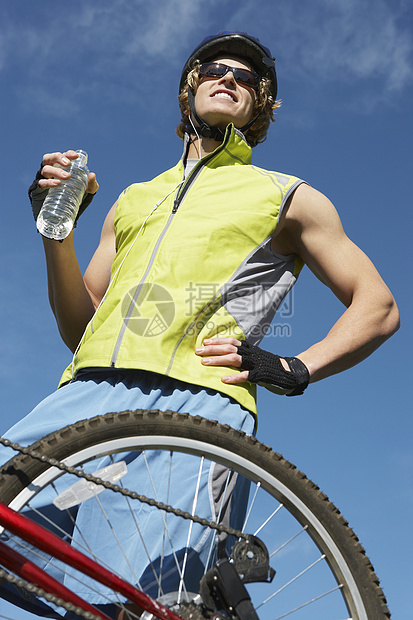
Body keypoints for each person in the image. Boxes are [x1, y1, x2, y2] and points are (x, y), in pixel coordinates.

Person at [1, 31, 399, 617]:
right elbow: (79, 326)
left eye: (246, 77)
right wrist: (57, 235)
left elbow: (378, 305)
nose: (229, 77)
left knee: (144, 601)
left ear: (260, 105)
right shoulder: (133, 199)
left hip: (197, 407)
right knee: (17, 541)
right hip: (87, 392)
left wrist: (294, 366)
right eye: (215, 68)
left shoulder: (289, 196)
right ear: (189, 89)